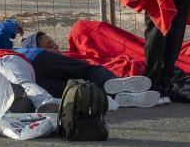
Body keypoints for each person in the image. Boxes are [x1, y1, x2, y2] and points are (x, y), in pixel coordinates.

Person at [17, 30, 160, 108]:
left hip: (35, 82)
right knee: (90, 71)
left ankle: (120, 97)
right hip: (34, 61)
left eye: (54, 44)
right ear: (37, 47)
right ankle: (116, 84)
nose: (56, 48)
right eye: (49, 46)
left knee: (75, 89)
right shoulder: (32, 53)